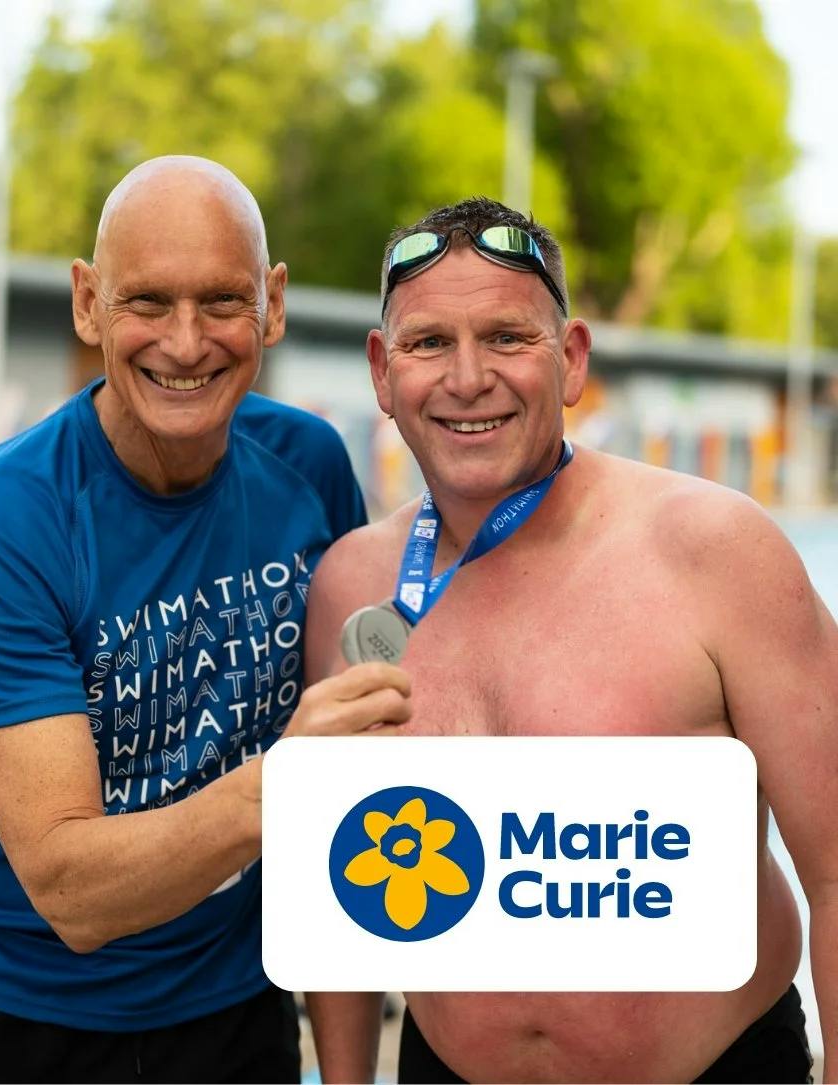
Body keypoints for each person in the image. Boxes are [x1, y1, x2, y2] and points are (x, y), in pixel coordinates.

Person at [0, 156, 412, 1084]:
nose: (186, 340)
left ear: (272, 306)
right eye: (147, 303)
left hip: (232, 1009)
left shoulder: (311, 467)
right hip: (10, 1018)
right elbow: (71, 890)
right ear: (88, 304)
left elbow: (356, 790)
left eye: (220, 301)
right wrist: (287, 780)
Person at [303, 197, 838, 1084]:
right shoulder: (352, 588)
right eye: (429, 342)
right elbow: (338, 889)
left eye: (509, 338)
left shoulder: (715, 553)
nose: (468, 378)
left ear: (573, 358)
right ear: (381, 372)